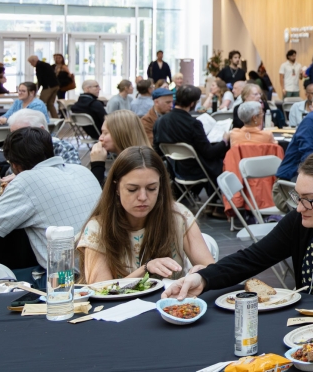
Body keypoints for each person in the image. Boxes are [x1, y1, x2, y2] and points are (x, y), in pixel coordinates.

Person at [168, 150, 313, 300]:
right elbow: (252, 258)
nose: (298, 207)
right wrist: (204, 278)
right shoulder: (303, 223)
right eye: (297, 197)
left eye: (308, 199)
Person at [0, 127, 102, 269]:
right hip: (107, 270)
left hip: (66, 280)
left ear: (15, 165)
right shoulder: (83, 171)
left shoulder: (26, 181)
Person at [77, 146, 214, 283]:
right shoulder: (97, 229)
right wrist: (145, 269)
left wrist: (202, 274)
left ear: (160, 187)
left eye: (151, 188)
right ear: (116, 188)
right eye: (132, 189)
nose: (143, 197)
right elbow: (101, 291)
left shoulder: (177, 215)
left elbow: (211, 269)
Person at [153, 85, 230, 182]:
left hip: (174, 169)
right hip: (196, 170)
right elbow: (209, 153)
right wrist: (225, 141)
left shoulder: (160, 121)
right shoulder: (193, 124)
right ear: (192, 103)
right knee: (226, 156)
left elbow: (157, 149)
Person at [89, 109, 150, 185]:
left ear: (121, 134)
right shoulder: (130, 159)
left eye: (105, 133)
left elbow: (98, 194)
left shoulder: (137, 166)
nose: (100, 138)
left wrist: (97, 164)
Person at [6, 108, 81, 166]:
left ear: (41, 130)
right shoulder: (18, 147)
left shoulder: (62, 147)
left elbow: (73, 176)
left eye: (21, 134)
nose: (14, 139)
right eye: (12, 134)